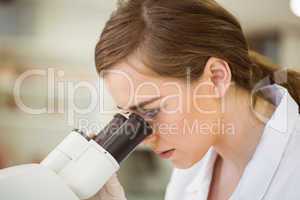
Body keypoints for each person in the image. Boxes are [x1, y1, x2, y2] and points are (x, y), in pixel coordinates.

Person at [91, 0, 300, 199]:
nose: (143, 138)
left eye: (151, 110)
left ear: (217, 78)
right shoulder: (191, 170)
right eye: (131, 117)